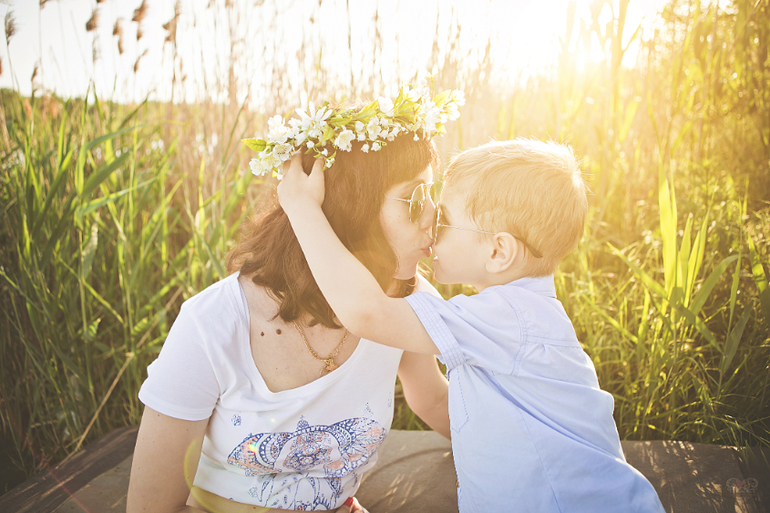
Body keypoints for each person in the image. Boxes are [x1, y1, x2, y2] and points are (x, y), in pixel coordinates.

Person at [277, 138, 667, 512]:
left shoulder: (509, 318)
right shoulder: (509, 314)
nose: (430, 223)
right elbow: (432, 400)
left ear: (498, 251)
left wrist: (303, 209)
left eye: (444, 219)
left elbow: (367, 312)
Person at [126, 86, 466, 513]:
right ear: (349, 207)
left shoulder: (399, 305)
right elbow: (150, 507)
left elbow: (434, 399)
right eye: (416, 199)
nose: (435, 220)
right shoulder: (212, 325)